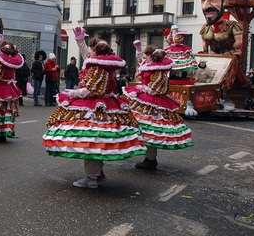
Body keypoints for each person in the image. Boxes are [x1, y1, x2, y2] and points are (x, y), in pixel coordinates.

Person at [43, 38, 146, 189]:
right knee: (96, 141)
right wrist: (79, 40)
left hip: (94, 107)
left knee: (89, 142)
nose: (89, 51)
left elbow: (89, 90)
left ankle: (91, 178)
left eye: (92, 49)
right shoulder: (106, 67)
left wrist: (73, 93)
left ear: (97, 51)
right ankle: (97, 173)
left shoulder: (97, 68)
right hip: (106, 105)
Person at [122, 42, 194, 170]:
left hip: (153, 102)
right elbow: (141, 63)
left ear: (153, 56)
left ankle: (150, 159)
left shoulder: (160, 71)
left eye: (148, 55)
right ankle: (149, 157)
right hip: (144, 98)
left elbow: (157, 90)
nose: (146, 57)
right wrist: (138, 50)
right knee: (145, 130)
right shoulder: (150, 66)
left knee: (151, 130)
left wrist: (142, 87)